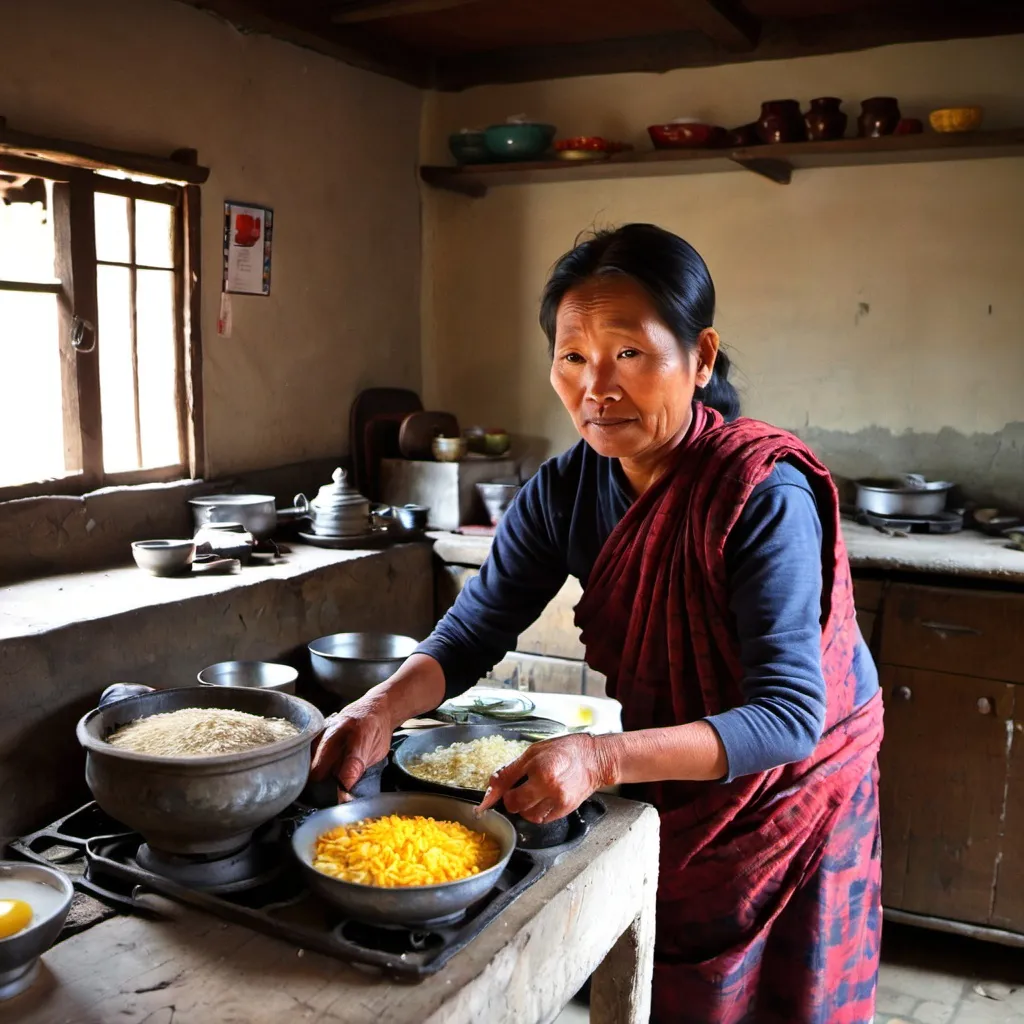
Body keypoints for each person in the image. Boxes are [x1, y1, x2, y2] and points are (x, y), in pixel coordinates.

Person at [312, 223, 884, 1024]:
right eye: (572, 357)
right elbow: (473, 630)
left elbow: (790, 717)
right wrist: (378, 709)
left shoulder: (760, 494)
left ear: (702, 358)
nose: (596, 387)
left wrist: (600, 757)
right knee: (680, 976)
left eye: (630, 355)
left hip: (797, 777)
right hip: (682, 757)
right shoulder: (564, 492)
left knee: (789, 997)